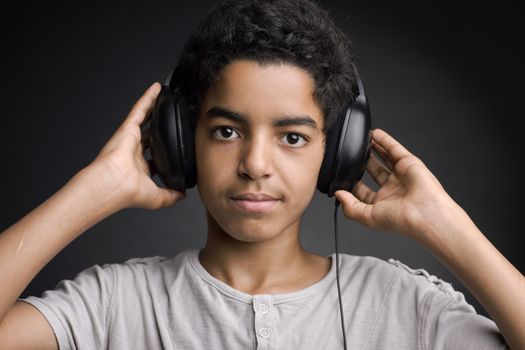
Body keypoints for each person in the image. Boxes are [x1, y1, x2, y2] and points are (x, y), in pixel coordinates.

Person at [0, 0, 523, 349]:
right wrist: (96, 188)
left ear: (336, 150)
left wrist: (445, 224)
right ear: (181, 140)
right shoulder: (116, 303)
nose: (254, 164)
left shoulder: (399, 302)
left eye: (292, 137)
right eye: (227, 131)